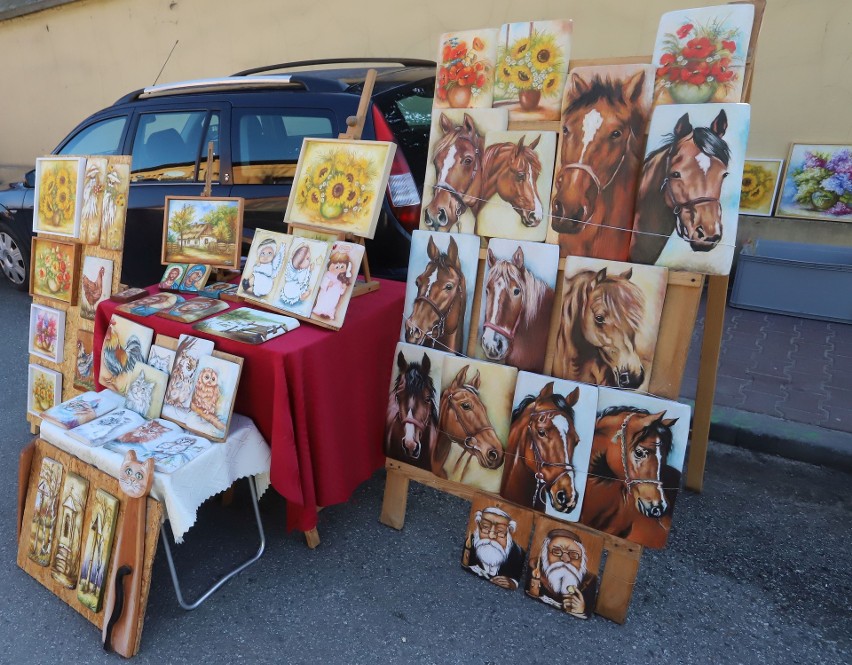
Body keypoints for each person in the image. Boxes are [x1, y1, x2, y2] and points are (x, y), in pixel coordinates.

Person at [527, 528, 597, 619]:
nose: (565, 559)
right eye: (556, 551)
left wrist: (580, 611)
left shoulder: (589, 581)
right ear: (545, 555)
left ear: (581, 561)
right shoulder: (535, 570)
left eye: (573, 554)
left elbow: (586, 611)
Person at [461, 506, 525, 590]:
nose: (491, 536)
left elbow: (515, 578)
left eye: (500, 531)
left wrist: (512, 583)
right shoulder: (470, 544)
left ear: (508, 533)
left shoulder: (517, 553)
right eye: (486, 527)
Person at [311, 246, 354, 319]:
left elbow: (341, 292)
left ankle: (329, 313)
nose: (338, 268)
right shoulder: (327, 274)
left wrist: (343, 287)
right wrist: (327, 283)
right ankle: (319, 311)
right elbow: (322, 283)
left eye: (341, 266)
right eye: (335, 265)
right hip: (326, 292)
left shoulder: (341, 278)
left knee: (332, 304)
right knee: (323, 301)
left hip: (335, 294)